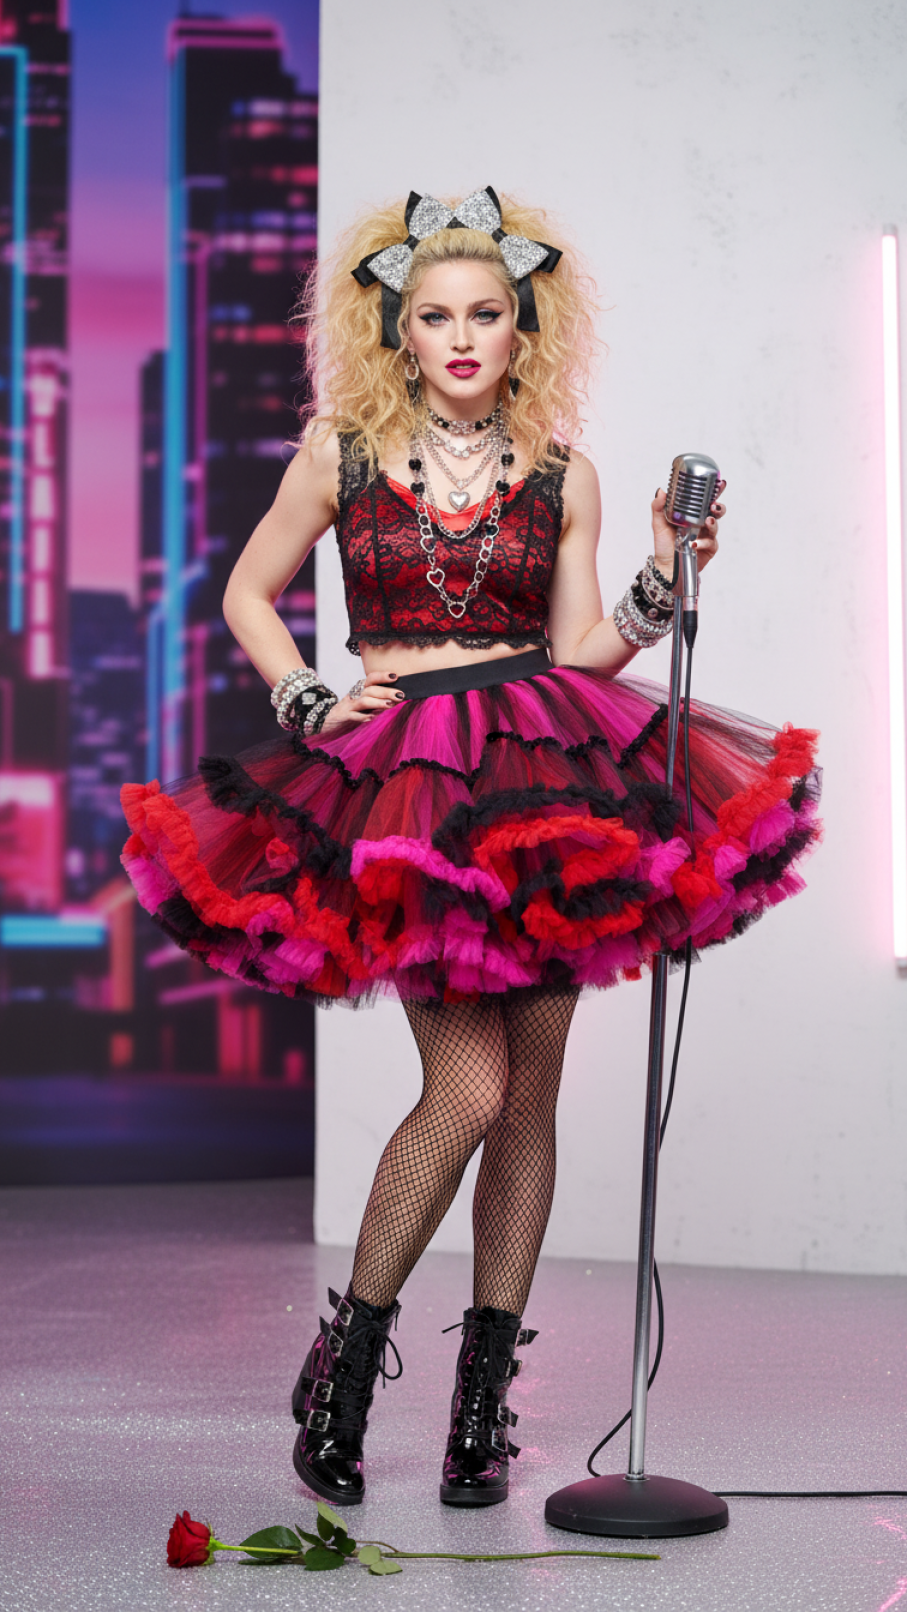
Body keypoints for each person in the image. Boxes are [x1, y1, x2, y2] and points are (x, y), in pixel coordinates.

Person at [121, 187, 820, 1512]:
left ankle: (479, 1411)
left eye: (483, 315)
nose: (458, 337)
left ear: (520, 327)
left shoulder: (563, 471)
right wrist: (304, 696)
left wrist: (670, 576)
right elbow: (245, 593)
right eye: (432, 315)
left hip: (545, 770)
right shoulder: (338, 453)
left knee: (534, 1098)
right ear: (392, 325)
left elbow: (579, 651)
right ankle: (346, 1362)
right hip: (406, 788)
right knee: (473, 1092)